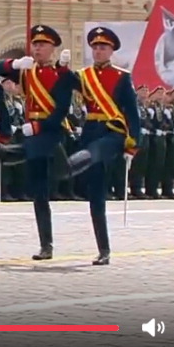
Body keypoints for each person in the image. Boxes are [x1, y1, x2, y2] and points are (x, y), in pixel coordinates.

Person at [54, 27, 141, 265]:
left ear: (111, 51)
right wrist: (61, 67)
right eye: (95, 47)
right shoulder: (84, 75)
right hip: (90, 131)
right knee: (96, 194)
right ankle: (104, 249)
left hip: (112, 132)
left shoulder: (122, 77)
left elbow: (132, 113)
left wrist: (134, 142)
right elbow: (65, 80)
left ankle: (67, 167)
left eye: (103, 47)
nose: (98, 51)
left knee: (96, 151)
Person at [0, 24, 73, 260]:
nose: (37, 48)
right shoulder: (26, 71)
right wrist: (14, 65)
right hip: (31, 133)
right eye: (35, 44)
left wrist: (38, 125)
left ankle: (10, 155)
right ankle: (45, 244)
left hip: (50, 130)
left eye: (42, 45)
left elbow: (61, 110)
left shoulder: (60, 74)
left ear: (52, 48)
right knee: (39, 192)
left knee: (37, 158)